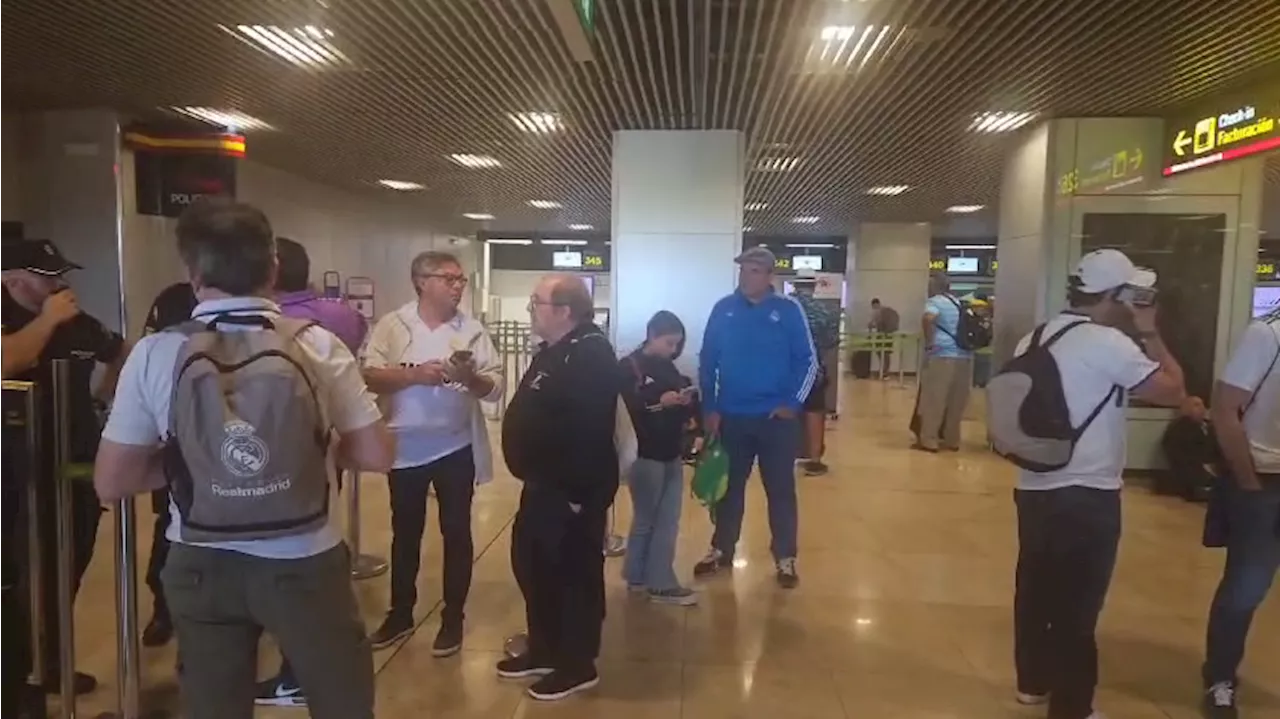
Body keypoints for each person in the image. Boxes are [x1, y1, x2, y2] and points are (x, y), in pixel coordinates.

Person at [92, 199, 395, 719]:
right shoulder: (318, 346)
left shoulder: (156, 352)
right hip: (305, 559)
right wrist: (313, 450)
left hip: (200, 559)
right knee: (342, 699)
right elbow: (375, 454)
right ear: (272, 268)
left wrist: (198, 461)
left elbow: (112, 482)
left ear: (193, 273)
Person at [1010, 249, 1184, 719]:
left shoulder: (1035, 336)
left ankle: (1032, 681)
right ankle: (1073, 707)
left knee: (1036, 585)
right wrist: (1149, 330)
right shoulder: (1109, 343)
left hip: (1034, 484)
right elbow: (1173, 389)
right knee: (1078, 605)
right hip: (1087, 491)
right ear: (1118, 295)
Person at [0, 237, 129, 696]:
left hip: (73, 465)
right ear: (13, 280)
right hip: (14, 475)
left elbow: (123, 353)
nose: (60, 284)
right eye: (47, 277)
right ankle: (19, 676)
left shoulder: (79, 325)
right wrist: (48, 320)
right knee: (16, 577)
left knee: (65, 568)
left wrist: (100, 399)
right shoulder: (20, 319)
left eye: (60, 275)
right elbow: (10, 359)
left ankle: (52, 662)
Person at [255, 237, 377, 707]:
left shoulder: (183, 339)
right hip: (311, 473)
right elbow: (371, 448)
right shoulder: (332, 322)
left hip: (220, 501)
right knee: (307, 572)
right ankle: (299, 670)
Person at [361, 250, 501, 656]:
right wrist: (414, 375)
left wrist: (469, 378)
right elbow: (369, 374)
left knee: (456, 533)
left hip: (455, 446)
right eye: (449, 278)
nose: (458, 286)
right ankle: (400, 613)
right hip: (404, 449)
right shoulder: (393, 325)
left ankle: (452, 617)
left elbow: (494, 387)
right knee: (405, 533)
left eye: (461, 280)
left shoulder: (472, 330)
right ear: (422, 281)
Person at [497, 274, 620, 701]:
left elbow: (590, 430)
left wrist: (575, 494)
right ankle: (546, 648)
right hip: (544, 485)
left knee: (572, 578)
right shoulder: (559, 350)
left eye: (537, 303)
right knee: (534, 566)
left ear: (565, 311)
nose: (531, 310)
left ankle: (576, 664)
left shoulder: (590, 355)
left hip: (571, 491)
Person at [693, 246, 818, 588]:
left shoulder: (788, 311)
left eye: (754, 271)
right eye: (743, 270)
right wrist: (710, 409)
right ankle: (721, 548)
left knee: (780, 489)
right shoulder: (724, 310)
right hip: (732, 417)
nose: (746, 277)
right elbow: (708, 362)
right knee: (728, 489)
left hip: (775, 420)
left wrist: (792, 403)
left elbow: (807, 361)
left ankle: (785, 557)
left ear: (769, 277)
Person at [1201, 307, 1280, 717]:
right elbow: (1225, 408)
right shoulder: (1267, 335)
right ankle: (1220, 677)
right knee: (1246, 587)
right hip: (1264, 479)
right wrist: (1248, 482)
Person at [619, 311, 697, 606]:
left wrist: (683, 404)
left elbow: (672, 407)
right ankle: (661, 583)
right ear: (652, 335)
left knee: (651, 518)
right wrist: (656, 402)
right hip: (645, 453)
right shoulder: (629, 368)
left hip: (669, 450)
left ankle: (637, 576)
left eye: (677, 344)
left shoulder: (669, 369)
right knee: (660, 519)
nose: (673, 350)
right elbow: (624, 409)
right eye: (669, 343)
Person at [137, 281, 198, 650]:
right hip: (175, 458)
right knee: (169, 529)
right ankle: (163, 610)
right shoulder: (174, 298)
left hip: (196, 456)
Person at [914, 274, 973, 452]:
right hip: (964, 356)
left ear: (934, 287)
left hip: (942, 355)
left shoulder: (935, 301)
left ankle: (929, 440)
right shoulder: (960, 303)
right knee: (957, 401)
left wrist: (930, 341)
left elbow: (928, 318)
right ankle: (952, 439)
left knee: (935, 399)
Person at [793, 282, 840, 476]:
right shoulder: (824, 310)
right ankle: (815, 460)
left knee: (786, 412)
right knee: (814, 411)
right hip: (814, 368)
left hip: (787, 369)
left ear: (795, 285)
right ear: (813, 287)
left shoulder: (786, 307)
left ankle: (782, 456)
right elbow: (832, 341)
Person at [1158, 395, 1217, 502]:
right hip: (1194, 471)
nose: (1202, 408)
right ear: (1185, 409)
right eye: (1196, 405)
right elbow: (1182, 456)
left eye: (1203, 405)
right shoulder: (1180, 429)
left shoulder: (1209, 426)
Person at [869, 298, 900, 376]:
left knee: (885, 352)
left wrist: (871, 325)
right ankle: (884, 369)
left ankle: (885, 370)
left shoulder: (882, 312)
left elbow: (877, 323)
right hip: (887, 334)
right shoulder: (886, 311)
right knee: (883, 352)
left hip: (885, 334)